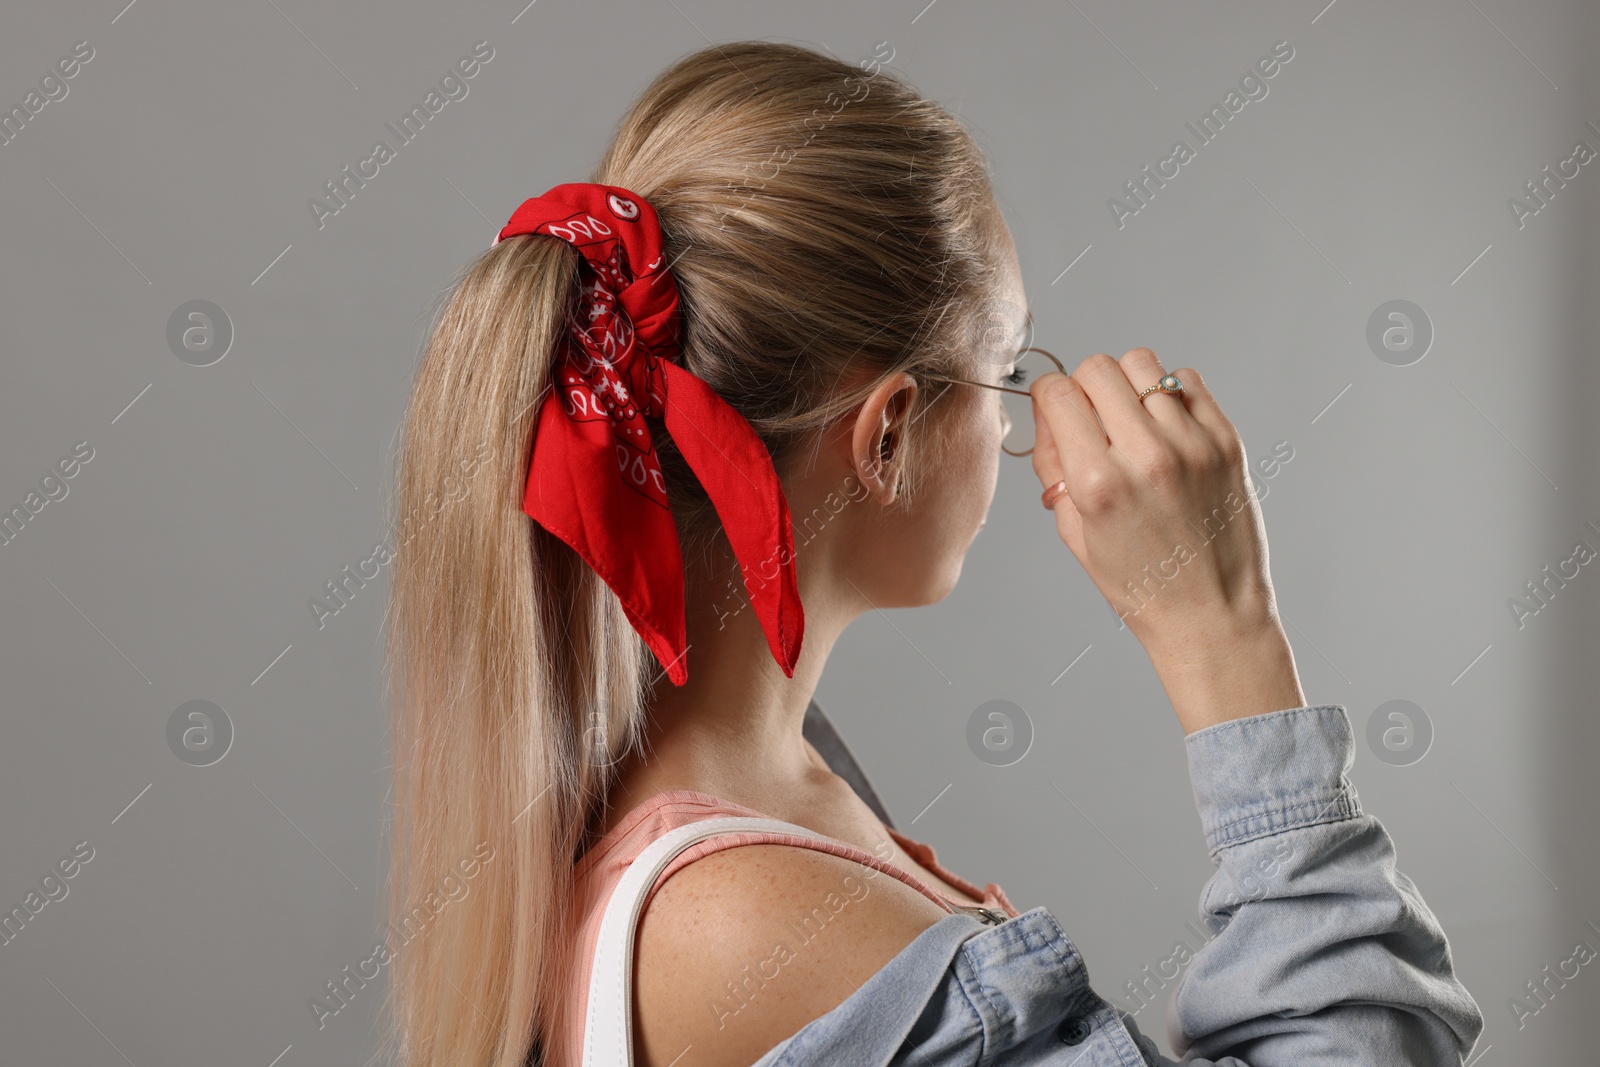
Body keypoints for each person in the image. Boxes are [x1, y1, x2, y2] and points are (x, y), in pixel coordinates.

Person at [380, 40, 1484, 1067]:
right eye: (1006, 366)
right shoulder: (746, 918)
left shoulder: (761, 787)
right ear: (889, 432)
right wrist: (1225, 637)